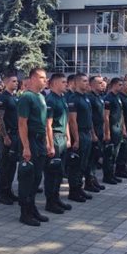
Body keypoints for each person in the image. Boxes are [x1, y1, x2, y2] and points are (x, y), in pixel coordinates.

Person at [16, 68, 50, 226]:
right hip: (30, 141)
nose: (45, 80)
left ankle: (32, 208)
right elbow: (22, 123)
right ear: (33, 79)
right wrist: (26, 147)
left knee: (37, 178)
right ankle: (25, 213)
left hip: (40, 141)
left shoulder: (41, 96)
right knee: (27, 179)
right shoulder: (27, 97)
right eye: (42, 78)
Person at [44, 73, 72, 213]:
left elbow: (66, 119)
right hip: (54, 137)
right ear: (54, 84)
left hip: (62, 138)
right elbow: (47, 125)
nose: (66, 84)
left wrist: (68, 137)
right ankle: (50, 202)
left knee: (60, 172)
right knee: (52, 172)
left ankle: (56, 198)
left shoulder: (62, 98)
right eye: (63, 82)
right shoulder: (50, 100)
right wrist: (49, 144)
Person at [67, 73, 95, 202]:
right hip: (80, 134)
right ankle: (73, 191)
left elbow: (90, 117)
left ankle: (79, 188)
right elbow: (72, 121)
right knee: (76, 165)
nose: (86, 83)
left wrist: (92, 133)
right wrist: (76, 139)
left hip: (87, 133)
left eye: (87, 81)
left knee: (84, 163)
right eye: (84, 81)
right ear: (77, 83)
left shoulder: (86, 98)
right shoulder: (74, 98)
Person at [0, 74, 20, 205]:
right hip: (8, 135)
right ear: (6, 82)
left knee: (11, 166)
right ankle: (2, 194)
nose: (16, 83)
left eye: (17, 81)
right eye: (13, 81)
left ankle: (9, 190)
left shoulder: (14, 97)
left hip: (16, 135)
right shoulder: (2, 98)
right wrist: (5, 136)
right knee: (5, 166)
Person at [103, 78, 125, 185]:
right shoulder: (108, 98)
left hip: (118, 128)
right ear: (114, 85)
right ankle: (107, 176)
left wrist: (123, 128)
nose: (122, 87)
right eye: (120, 85)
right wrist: (107, 133)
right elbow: (106, 117)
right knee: (110, 154)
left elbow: (121, 114)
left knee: (115, 153)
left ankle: (112, 174)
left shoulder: (118, 97)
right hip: (112, 128)